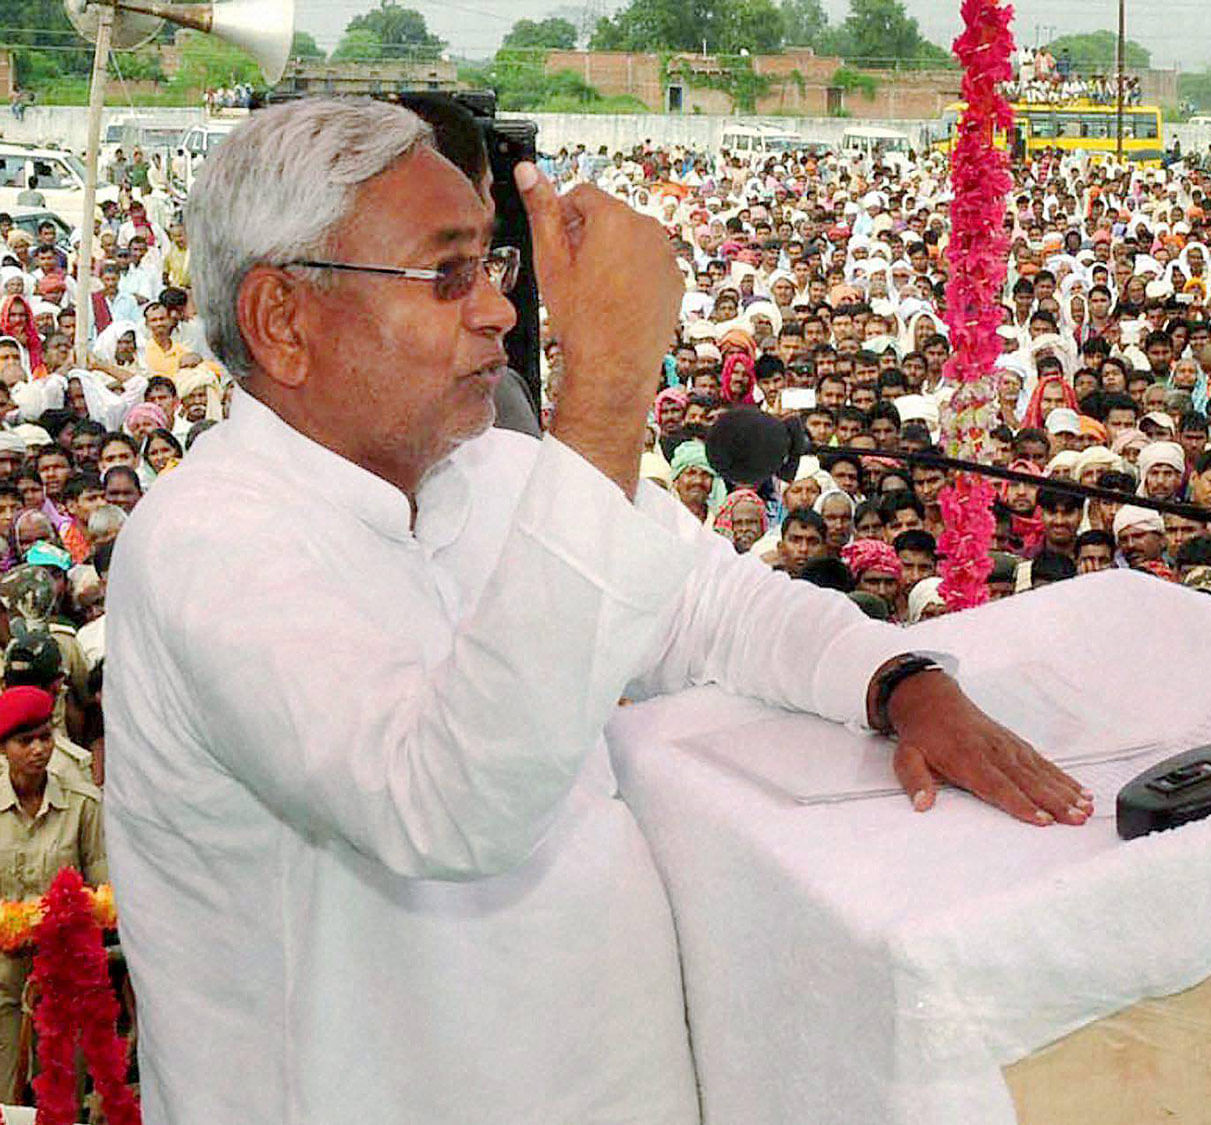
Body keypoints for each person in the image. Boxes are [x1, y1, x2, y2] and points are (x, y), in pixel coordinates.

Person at [103, 99, 1090, 1124]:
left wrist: (896, 682)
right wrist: (611, 380)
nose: (493, 312)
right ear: (282, 319)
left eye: (493, 268)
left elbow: (713, 602)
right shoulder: (208, 543)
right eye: (445, 275)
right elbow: (442, 802)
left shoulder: (488, 473)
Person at [0, 685, 107, 1095]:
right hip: (4, 980)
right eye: (25, 741)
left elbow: (104, 896)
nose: (38, 750)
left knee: (61, 1099)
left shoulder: (82, 805)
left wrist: (67, 921)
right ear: (4, 747)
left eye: (45, 737)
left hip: (65, 979)